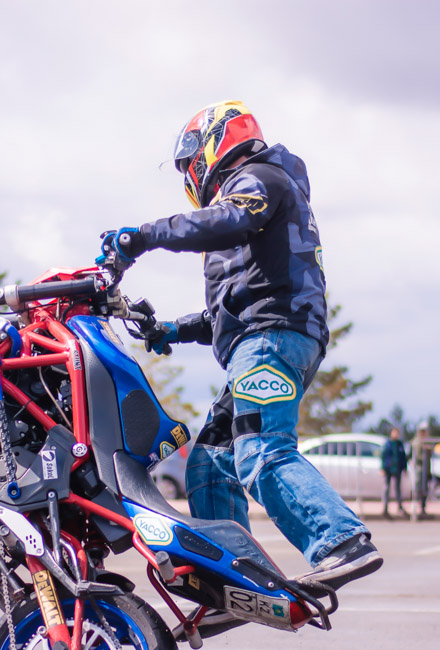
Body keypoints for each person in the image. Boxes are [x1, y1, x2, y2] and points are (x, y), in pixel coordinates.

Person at [100, 100, 382, 594]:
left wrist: (143, 236)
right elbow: (237, 305)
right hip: (266, 338)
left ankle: (341, 541)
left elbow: (226, 222)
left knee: (261, 450)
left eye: (190, 162)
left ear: (215, 142)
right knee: (211, 460)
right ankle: (231, 576)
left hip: (271, 341)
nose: (191, 175)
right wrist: (172, 330)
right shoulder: (255, 197)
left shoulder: (259, 178)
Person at [381, 427, 409, 518]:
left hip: (397, 469)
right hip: (388, 468)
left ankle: (399, 506)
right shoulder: (387, 444)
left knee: (398, 489)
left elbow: (403, 457)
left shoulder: (400, 444)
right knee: (386, 488)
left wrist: (405, 468)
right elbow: (383, 456)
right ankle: (385, 508)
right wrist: (382, 468)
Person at [411, 421, 433, 518]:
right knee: (418, 489)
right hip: (419, 469)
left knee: (424, 489)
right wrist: (426, 451)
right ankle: (415, 510)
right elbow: (418, 456)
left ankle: (423, 508)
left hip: (425, 469)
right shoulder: (417, 442)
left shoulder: (425, 441)